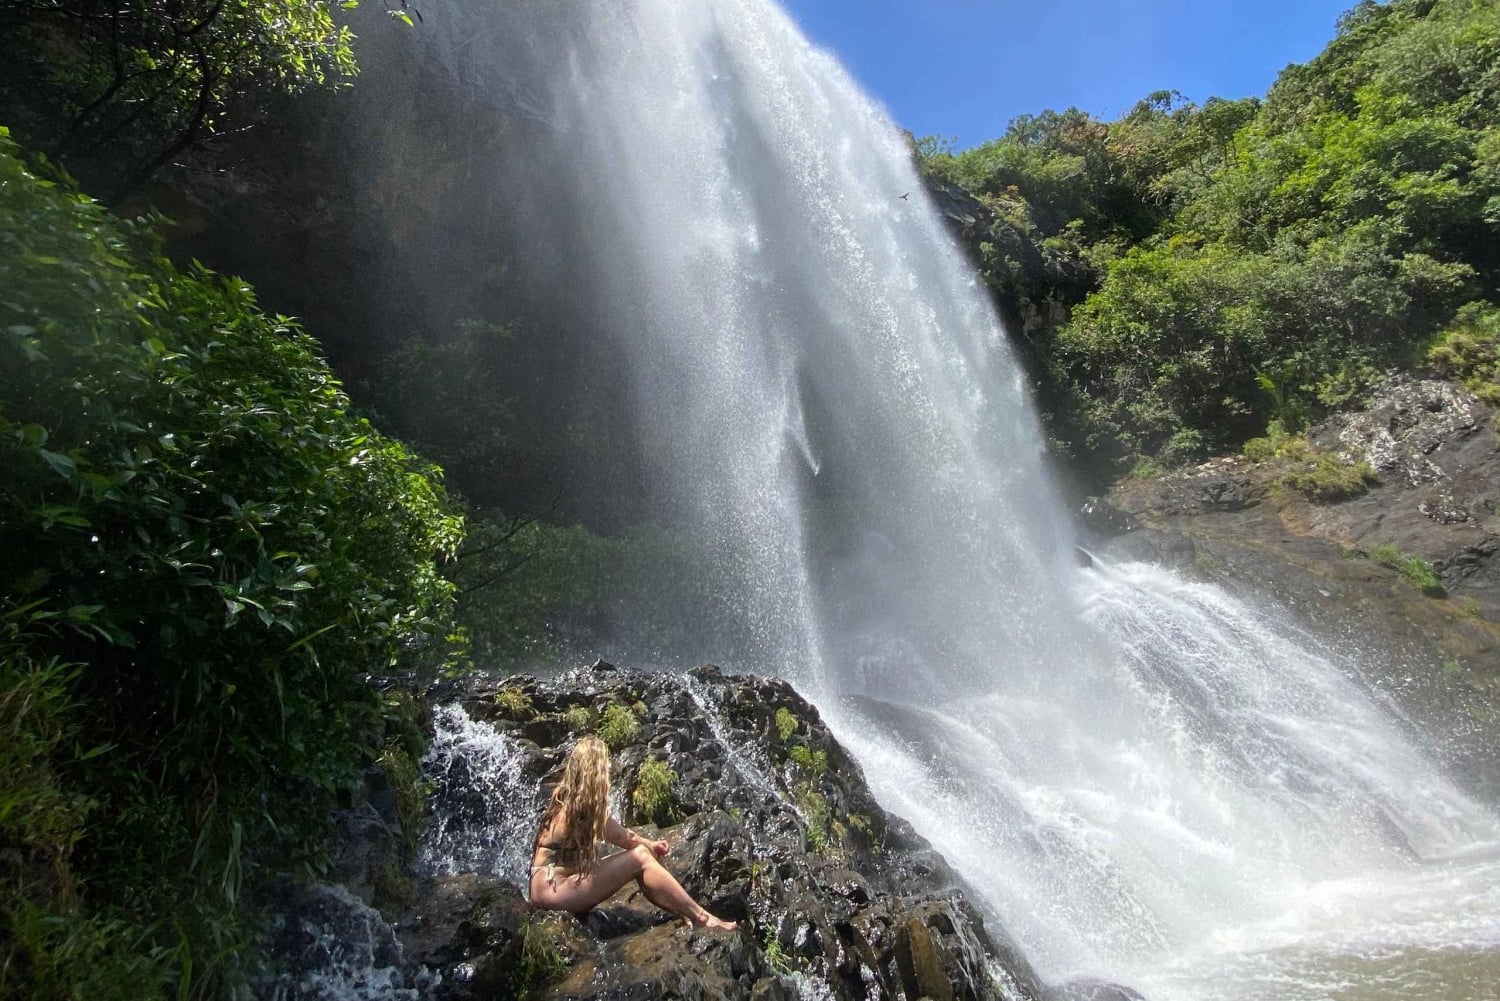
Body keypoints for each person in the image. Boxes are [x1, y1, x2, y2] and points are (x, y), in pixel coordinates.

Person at [528, 735, 738, 930]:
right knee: (641, 857)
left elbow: (623, 835)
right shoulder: (579, 808)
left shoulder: (567, 800)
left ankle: (684, 912)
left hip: (555, 888)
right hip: (553, 892)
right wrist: (648, 846)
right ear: (594, 772)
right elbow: (621, 837)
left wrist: (651, 845)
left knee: (645, 853)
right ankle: (701, 917)